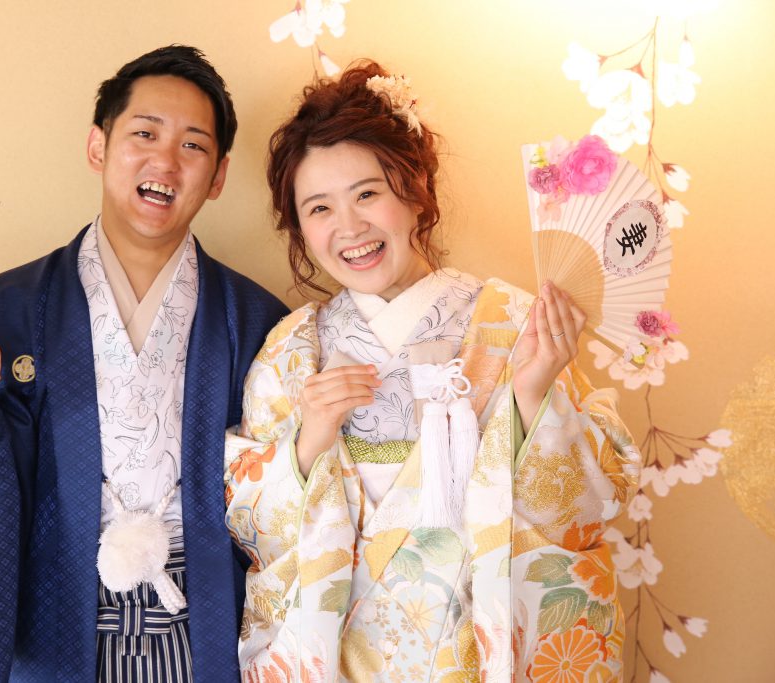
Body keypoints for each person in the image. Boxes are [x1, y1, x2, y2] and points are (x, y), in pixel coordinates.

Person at [224, 61, 641, 682]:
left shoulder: (514, 323)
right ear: (299, 226)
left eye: (367, 194)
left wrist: (532, 399)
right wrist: (309, 443)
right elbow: (251, 525)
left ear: (415, 188)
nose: (349, 227)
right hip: (345, 657)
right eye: (319, 208)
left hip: (472, 653)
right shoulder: (292, 350)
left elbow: (589, 504)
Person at [0, 45, 287, 682]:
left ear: (218, 176)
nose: (165, 161)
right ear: (98, 146)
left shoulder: (261, 324)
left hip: (212, 623)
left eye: (193, 145)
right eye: (144, 134)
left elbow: (295, 499)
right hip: (57, 622)